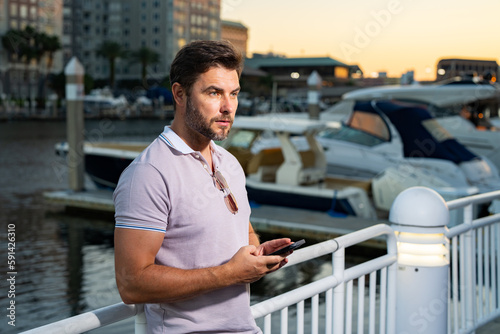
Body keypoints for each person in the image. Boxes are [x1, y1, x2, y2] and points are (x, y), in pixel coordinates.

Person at [113, 40, 293, 333]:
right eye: (214, 93)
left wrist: (257, 255)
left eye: (233, 94)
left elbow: (242, 231)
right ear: (180, 94)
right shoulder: (149, 174)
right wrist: (229, 275)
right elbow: (131, 283)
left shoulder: (230, 163)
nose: (227, 107)